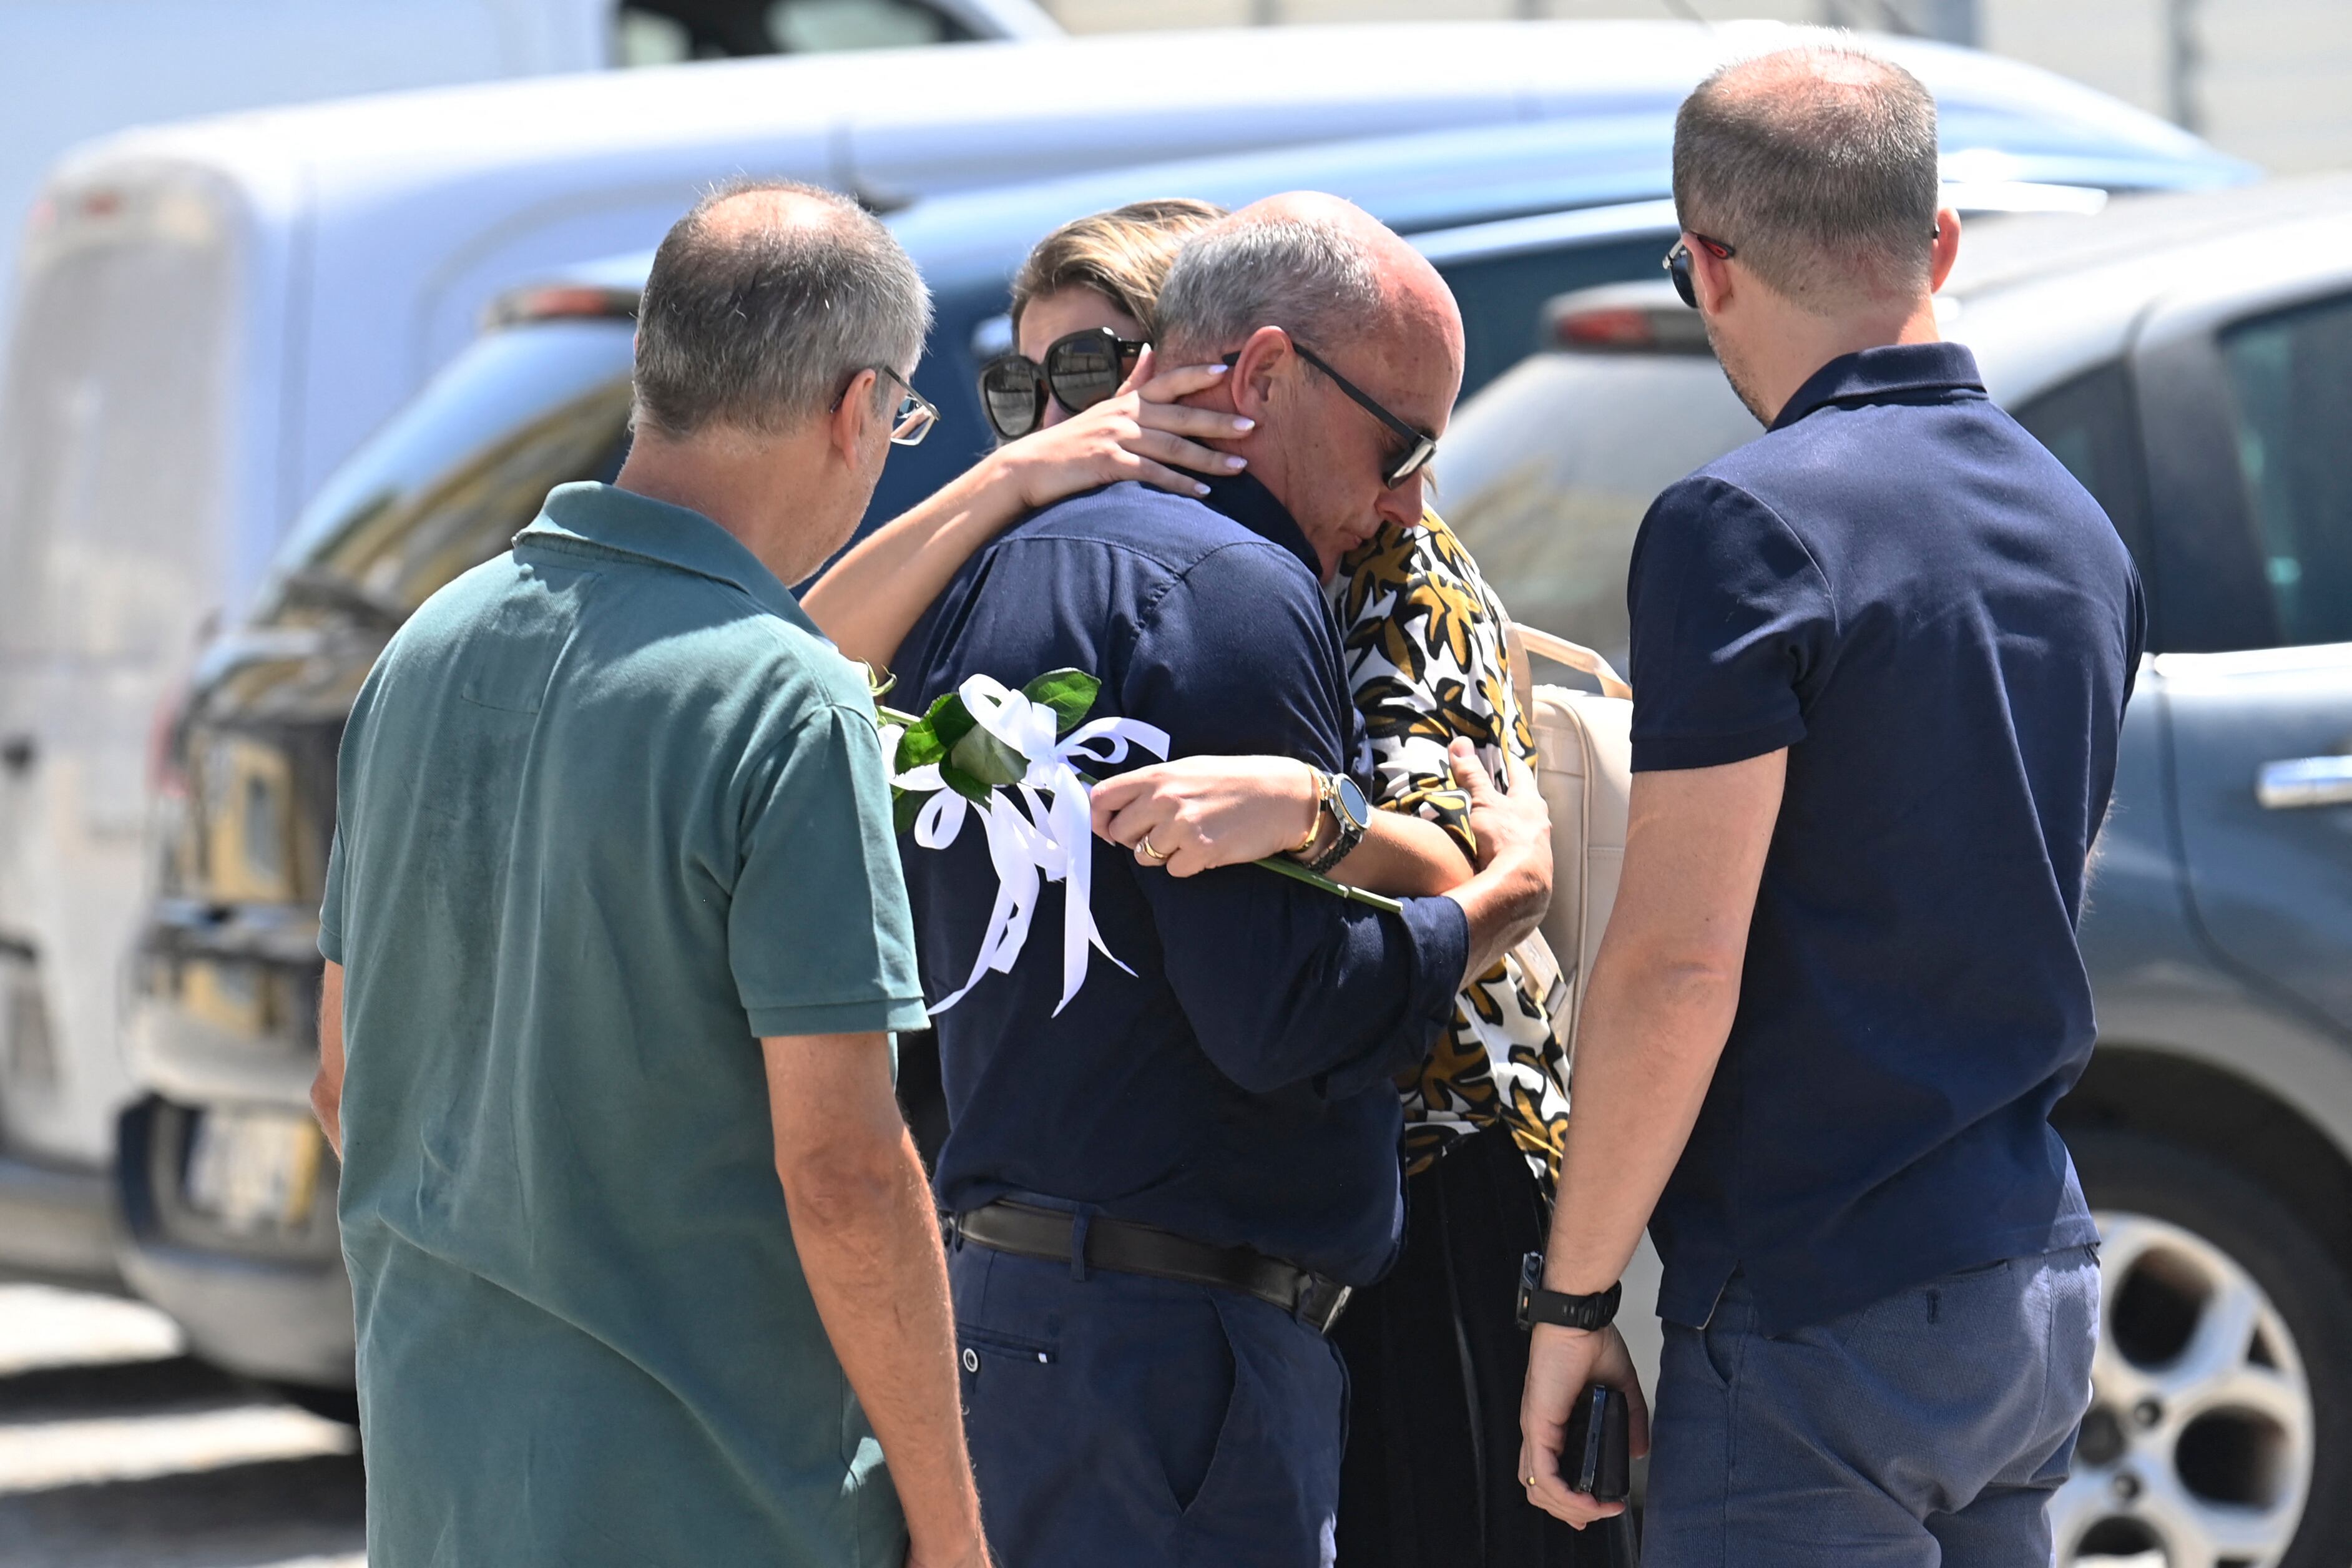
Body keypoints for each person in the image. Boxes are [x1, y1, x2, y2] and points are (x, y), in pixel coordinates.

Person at [815, 197, 1584, 1566]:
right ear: (1271, 371)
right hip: (1179, 1334)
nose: (1067, 423)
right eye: (1023, 392)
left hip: (1032, 1303)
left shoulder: (995, 588)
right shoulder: (1221, 584)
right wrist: (1498, 905)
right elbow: (1277, 1014)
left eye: (1103, 373)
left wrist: (1314, 808)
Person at [1516, 40, 2142, 1567]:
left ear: (1709, 269)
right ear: (1937, 243)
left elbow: (1676, 967)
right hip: (2027, 1276)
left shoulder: (1746, 526)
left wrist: (1573, 1301)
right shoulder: (2077, 525)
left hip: (1817, 1307)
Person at [308, 182, 990, 1568]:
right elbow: (846, 1168)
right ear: (857, 408)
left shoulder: (424, 648)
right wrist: (956, 1531)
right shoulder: (787, 701)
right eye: (904, 421)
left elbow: (337, 1080)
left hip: (443, 1490)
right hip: (725, 1503)